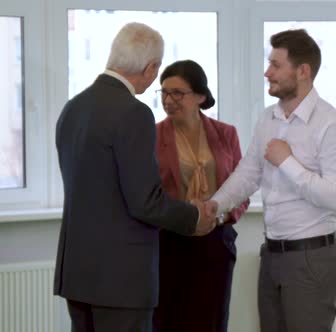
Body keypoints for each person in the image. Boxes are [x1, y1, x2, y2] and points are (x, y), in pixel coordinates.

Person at [54, 23, 217, 332]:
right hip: (121, 279)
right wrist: (194, 216)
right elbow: (145, 202)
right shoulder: (133, 112)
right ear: (150, 68)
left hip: (77, 273)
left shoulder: (72, 108)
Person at [206, 29, 336, 332]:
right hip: (272, 254)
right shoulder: (268, 119)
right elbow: (249, 172)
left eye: (276, 65)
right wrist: (214, 205)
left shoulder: (332, 125)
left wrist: (287, 162)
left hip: (311, 259)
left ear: (303, 71)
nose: (267, 72)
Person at [152, 60, 249, 332]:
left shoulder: (226, 134)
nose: (169, 100)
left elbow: (242, 188)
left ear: (200, 96)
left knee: (211, 320)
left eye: (177, 93)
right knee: (167, 321)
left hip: (215, 243)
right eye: (164, 93)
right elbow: (148, 194)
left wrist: (219, 216)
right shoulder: (153, 135)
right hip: (169, 243)